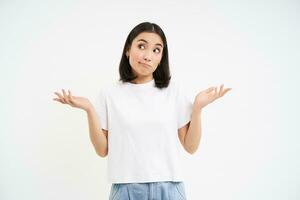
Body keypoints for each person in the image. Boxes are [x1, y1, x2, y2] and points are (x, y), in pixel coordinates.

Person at [53, 22, 231, 200]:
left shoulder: (173, 90)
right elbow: (102, 150)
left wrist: (197, 108)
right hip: (126, 190)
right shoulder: (110, 93)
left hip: (169, 189)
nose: (148, 56)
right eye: (141, 46)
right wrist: (89, 109)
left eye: (156, 50)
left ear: (161, 57)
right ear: (128, 50)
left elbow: (191, 147)